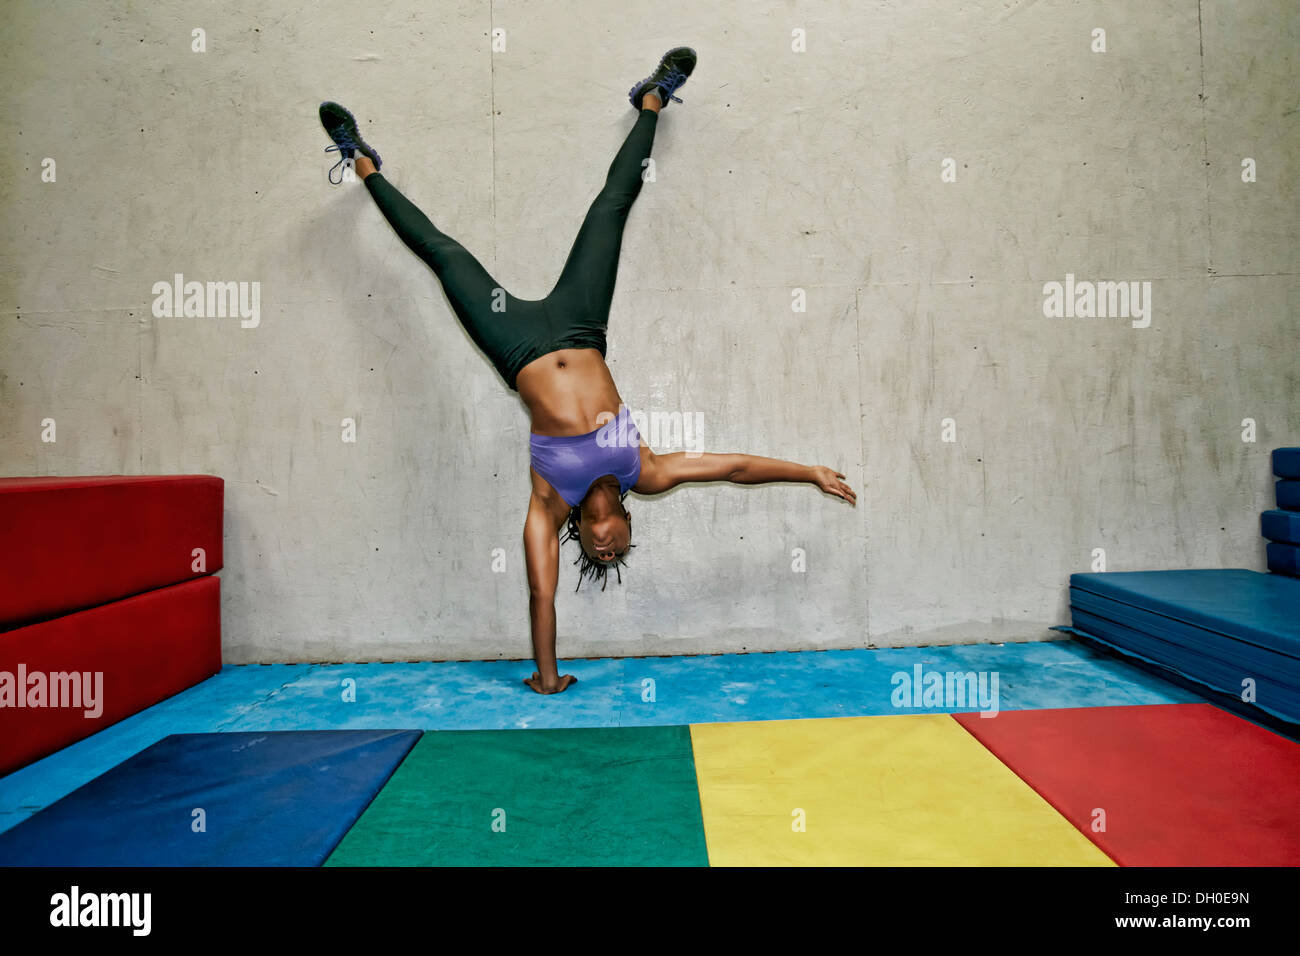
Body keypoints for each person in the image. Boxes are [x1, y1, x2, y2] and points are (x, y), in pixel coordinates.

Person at [319, 47, 856, 694]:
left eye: (598, 554)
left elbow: (542, 594)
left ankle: (362, 163)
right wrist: (809, 471)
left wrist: (547, 678)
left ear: (580, 533)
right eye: (617, 550)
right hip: (580, 325)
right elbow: (735, 467)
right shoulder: (644, 471)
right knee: (610, 210)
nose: (607, 549)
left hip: (514, 344)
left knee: (443, 254)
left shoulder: (550, 503)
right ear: (627, 528)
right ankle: (652, 99)